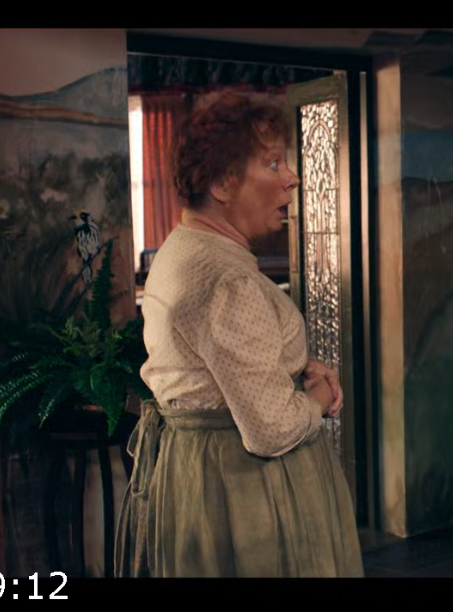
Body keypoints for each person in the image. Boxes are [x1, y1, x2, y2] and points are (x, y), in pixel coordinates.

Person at [115, 90, 364, 577]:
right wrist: (318, 396)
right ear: (222, 183)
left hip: (200, 477)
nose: (291, 177)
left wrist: (292, 368)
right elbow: (272, 429)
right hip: (246, 493)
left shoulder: (181, 249)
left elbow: (212, 369)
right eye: (272, 164)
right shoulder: (226, 281)